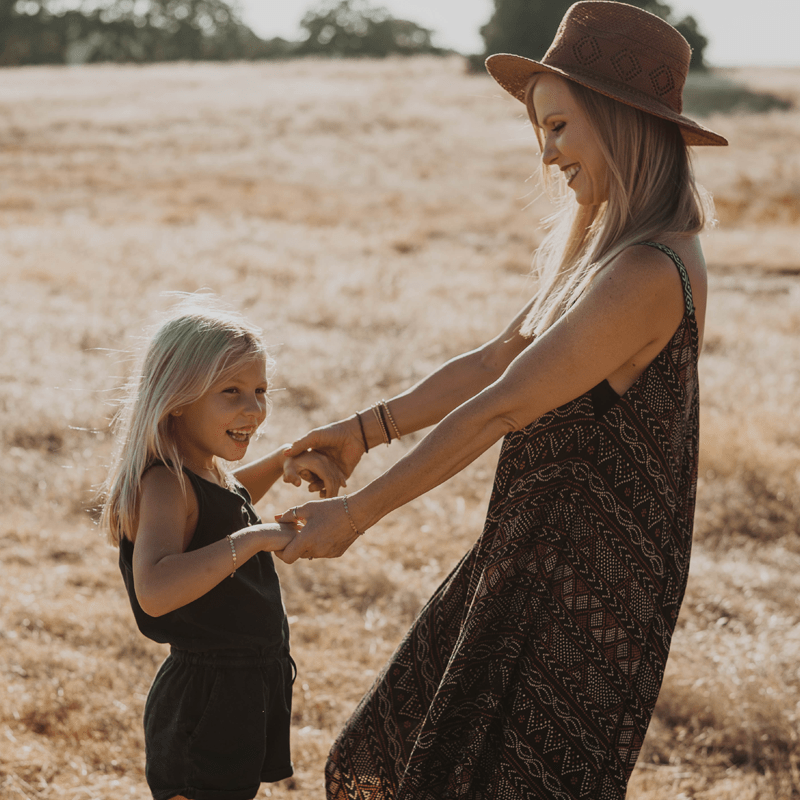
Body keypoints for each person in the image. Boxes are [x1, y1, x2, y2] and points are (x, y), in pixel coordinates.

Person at [278, 2, 727, 798]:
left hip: (581, 594)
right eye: (540, 132)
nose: (548, 155)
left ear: (622, 123)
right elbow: (494, 362)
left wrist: (356, 516)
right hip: (532, 553)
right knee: (424, 749)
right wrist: (358, 433)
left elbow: (503, 406)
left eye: (559, 127)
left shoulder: (650, 270)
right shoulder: (610, 253)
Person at [100, 297, 343, 800]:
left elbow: (227, 504)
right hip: (204, 700)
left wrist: (281, 462)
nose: (253, 409)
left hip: (240, 689)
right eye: (231, 392)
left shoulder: (204, 470)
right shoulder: (166, 482)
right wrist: (255, 539)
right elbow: (155, 588)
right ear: (179, 397)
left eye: (260, 390)